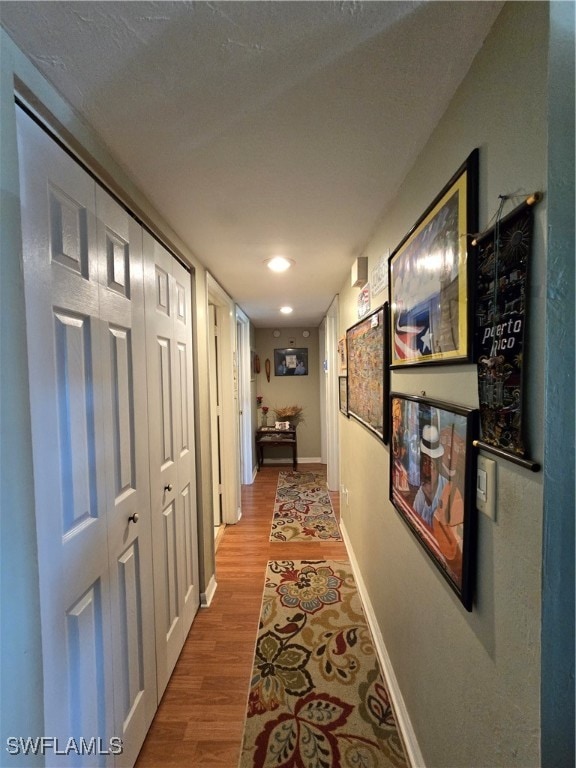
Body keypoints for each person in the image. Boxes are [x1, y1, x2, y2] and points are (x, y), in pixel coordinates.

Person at [412, 424, 447, 526]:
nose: (426, 470)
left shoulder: (448, 490)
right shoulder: (421, 494)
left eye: (431, 464)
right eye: (424, 463)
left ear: (438, 465)